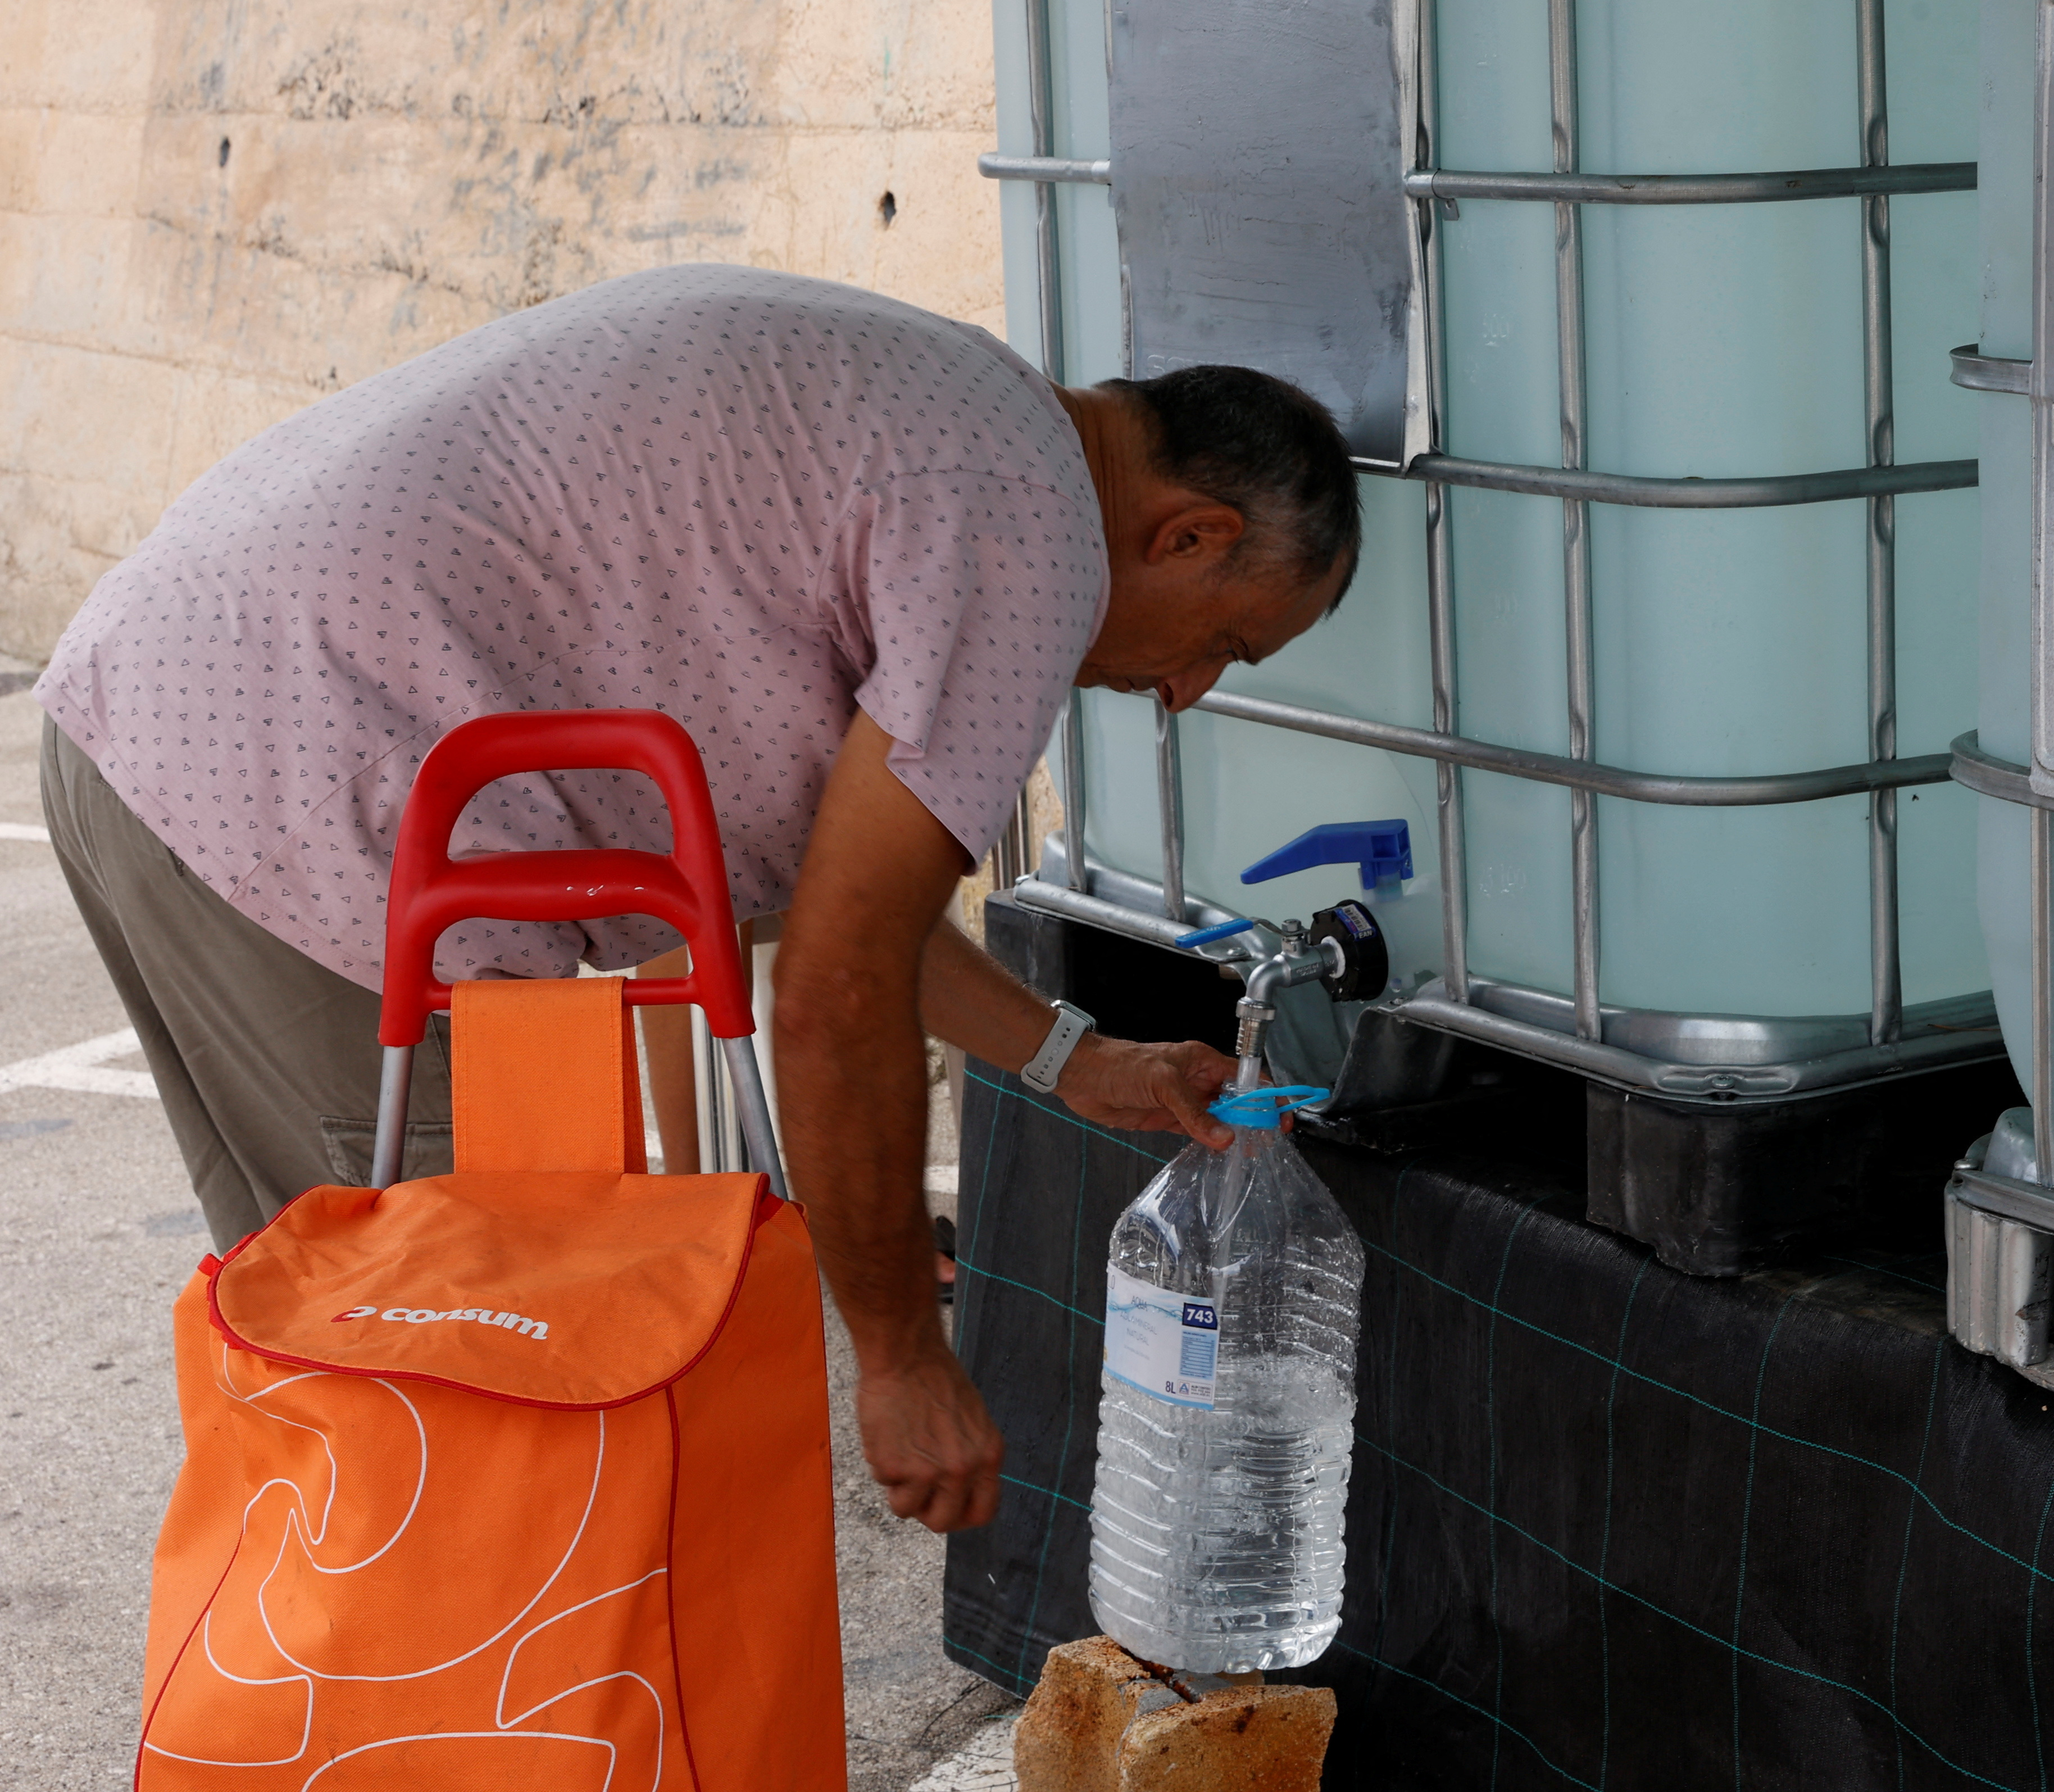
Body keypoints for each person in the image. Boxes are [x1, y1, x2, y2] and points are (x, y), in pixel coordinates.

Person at [34, 262, 1360, 1535]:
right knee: (454, 1400)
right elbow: (837, 989)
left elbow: (851, 908)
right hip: (309, 793)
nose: (1186, 692)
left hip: (157, 718)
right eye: (1227, 642)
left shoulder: (960, 411)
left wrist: (1074, 1061)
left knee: (335, 1363)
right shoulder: (1032, 536)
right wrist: (900, 1355)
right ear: (1191, 532)